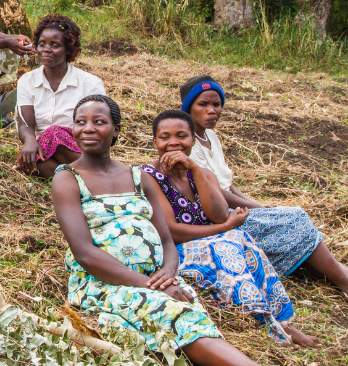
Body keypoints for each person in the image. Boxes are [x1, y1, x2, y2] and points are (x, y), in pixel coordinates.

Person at [51, 95, 258, 366]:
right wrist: (154, 287)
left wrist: (168, 274)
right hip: (102, 284)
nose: (88, 128)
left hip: (157, 279)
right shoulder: (67, 178)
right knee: (178, 316)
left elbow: (166, 239)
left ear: (116, 130)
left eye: (99, 122)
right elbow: (85, 253)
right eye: (80, 122)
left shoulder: (139, 176)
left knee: (188, 314)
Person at [142, 110, 320, 347]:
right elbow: (174, 232)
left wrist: (194, 170)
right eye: (165, 137)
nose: (173, 142)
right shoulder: (148, 176)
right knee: (227, 241)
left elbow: (217, 215)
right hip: (177, 255)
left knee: (240, 237)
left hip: (212, 246)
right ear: (155, 142)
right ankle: (264, 324)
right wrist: (225, 227)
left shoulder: (202, 173)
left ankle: (282, 322)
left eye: (182, 136)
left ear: (193, 140)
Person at [181, 75, 348, 293]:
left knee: (290, 219)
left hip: (233, 205)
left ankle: (336, 271)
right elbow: (216, 192)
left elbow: (227, 182)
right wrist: (255, 207)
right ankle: (343, 280)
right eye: (203, 104)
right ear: (188, 108)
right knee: (296, 218)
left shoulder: (210, 136)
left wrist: (253, 201)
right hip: (220, 214)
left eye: (216, 104)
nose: (212, 110)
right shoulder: (188, 144)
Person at [16, 15, 105, 178]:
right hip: (42, 149)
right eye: (42, 44)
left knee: (54, 133)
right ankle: (82, 180)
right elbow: (25, 123)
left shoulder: (90, 83)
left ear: (69, 50)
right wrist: (29, 140)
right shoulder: (27, 81)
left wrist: (57, 137)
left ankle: (91, 174)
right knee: (30, 161)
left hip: (80, 149)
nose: (46, 49)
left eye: (55, 45)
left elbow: (98, 128)